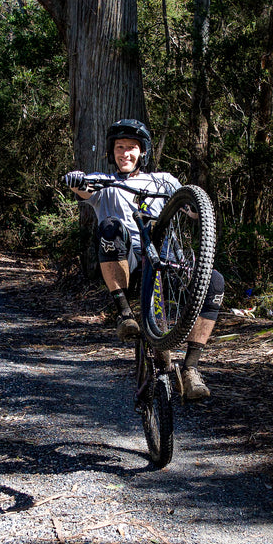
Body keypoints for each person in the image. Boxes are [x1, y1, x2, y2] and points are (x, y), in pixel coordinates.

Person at [63, 119, 224, 400]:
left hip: (166, 261)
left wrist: (195, 206)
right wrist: (75, 180)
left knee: (215, 281)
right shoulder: (106, 183)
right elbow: (84, 189)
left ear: (143, 152)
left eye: (132, 148)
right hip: (129, 263)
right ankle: (125, 314)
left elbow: (191, 209)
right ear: (111, 152)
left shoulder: (163, 181)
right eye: (119, 147)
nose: (125, 153)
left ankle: (190, 369)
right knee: (109, 226)